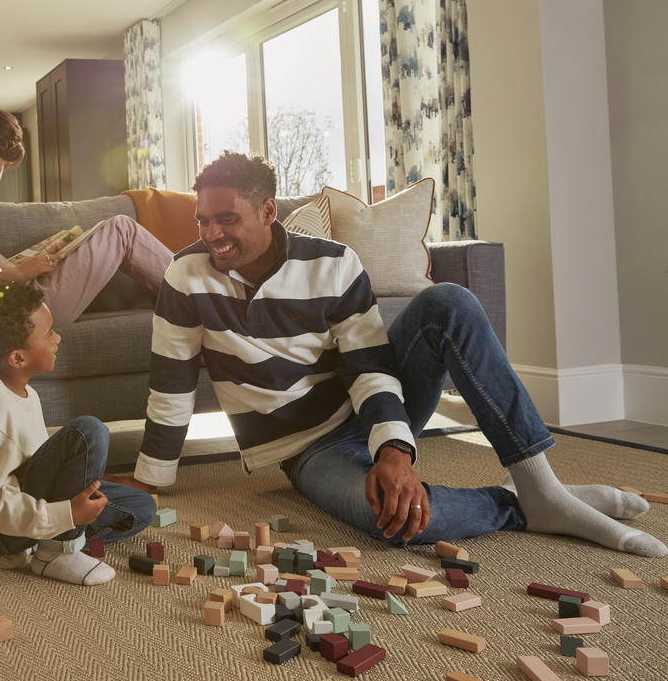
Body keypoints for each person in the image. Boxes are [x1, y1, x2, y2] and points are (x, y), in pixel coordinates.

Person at [114, 150, 665, 558]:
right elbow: (172, 383)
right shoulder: (186, 276)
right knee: (394, 521)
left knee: (448, 302)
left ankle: (541, 484)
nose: (212, 234)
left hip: (378, 408)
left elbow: (370, 366)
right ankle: (523, 503)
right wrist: (153, 477)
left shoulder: (333, 262)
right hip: (308, 449)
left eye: (226, 219)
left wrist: (394, 453)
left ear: (266, 210)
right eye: (202, 221)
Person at [0, 282, 157, 585]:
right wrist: (68, 513)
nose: (57, 338)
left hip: (23, 511)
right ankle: (57, 552)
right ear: (18, 358)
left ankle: (43, 540)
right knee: (89, 432)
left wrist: (76, 504)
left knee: (141, 507)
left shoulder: (25, 392)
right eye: (49, 334)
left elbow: (38, 462)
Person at [0, 108, 173, 326]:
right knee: (121, 229)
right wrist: (15, 272)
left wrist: (15, 264)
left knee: (95, 234)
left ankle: (187, 297)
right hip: (7, 308)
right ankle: (200, 293)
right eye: (4, 165)